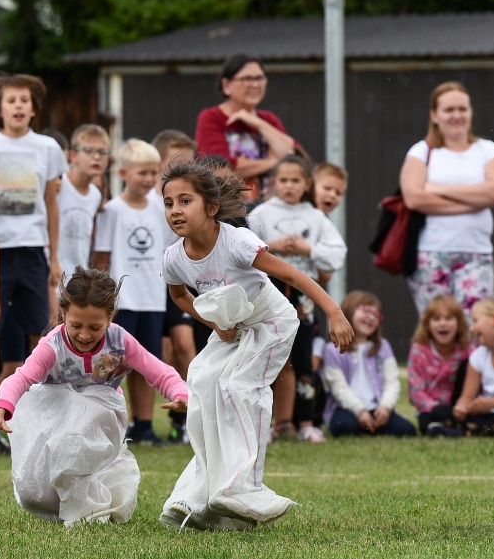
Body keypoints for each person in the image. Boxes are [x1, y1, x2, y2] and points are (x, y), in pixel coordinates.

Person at [159, 161, 353, 530]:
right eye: (169, 203)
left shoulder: (237, 242)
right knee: (201, 381)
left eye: (185, 201)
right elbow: (180, 297)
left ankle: (243, 489)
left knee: (237, 388)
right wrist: (213, 323)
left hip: (271, 323)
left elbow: (293, 274)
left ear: (211, 208)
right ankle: (197, 495)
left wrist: (334, 312)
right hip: (232, 325)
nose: (175, 210)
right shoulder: (174, 257)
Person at [0, 266, 187, 526]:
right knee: (34, 493)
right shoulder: (52, 346)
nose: (84, 335)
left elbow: (158, 371)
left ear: (111, 317)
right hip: (54, 413)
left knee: (77, 438)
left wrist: (180, 393)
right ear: (63, 315)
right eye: (76, 325)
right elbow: (21, 377)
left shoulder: (120, 341)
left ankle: (85, 510)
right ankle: (69, 500)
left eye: (95, 327)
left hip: (102, 413)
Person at [0, 74, 68, 438]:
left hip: (33, 250)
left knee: (38, 328)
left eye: (25, 100)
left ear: (34, 108)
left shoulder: (47, 148)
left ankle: (36, 398)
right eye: (11, 100)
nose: (19, 106)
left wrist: (55, 257)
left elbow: (51, 204)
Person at [248, 155, 347, 442]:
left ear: (307, 184)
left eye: (295, 181)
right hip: (267, 291)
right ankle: (269, 424)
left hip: (304, 294)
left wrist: (308, 250)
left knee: (303, 357)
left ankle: (305, 422)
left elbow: (337, 253)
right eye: (283, 180)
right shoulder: (262, 213)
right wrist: (270, 247)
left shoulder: (315, 217)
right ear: (274, 182)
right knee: (268, 356)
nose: (289, 186)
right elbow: (242, 247)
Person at [399, 81, 494, 317]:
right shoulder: (421, 152)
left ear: (471, 112)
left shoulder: (488, 150)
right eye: (449, 110)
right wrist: (476, 199)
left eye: (462, 109)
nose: (456, 116)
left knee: (477, 327)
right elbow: (415, 198)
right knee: (438, 329)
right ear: (434, 115)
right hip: (431, 255)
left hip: (477, 255)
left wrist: (438, 189)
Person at [92, 139, 166, 445]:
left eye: (153, 173)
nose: (148, 179)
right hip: (123, 301)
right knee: (114, 364)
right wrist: (104, 298)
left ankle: (144, 424)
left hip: (153, 296)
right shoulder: (112, 210)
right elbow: (102, 258)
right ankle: (109, 422)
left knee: (146, 362)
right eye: (142, 173)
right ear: (124, 172)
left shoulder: (161, 208)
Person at [194, 54, 297, 203]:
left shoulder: (268, 120)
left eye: (259, 78)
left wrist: (257, 123)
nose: (255, 85)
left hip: (271, 211)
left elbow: (294, 157)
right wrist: (274, 162)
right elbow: (220, 169)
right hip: (229, 209)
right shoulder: (211, 118)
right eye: (247, 79)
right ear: (226, 85)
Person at [149, 129, 197, 443]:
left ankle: (191, 415)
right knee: (162, 351)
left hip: (178, 284)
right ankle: (170, 412)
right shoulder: (149, 202)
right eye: (176, 162)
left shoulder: (188, 202)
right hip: (148, 287)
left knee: (184, 346)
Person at [321, 291, 416, 438]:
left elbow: (392, 382)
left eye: (376, 315)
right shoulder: (333, 348)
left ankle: (371, 426)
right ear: (348, 310)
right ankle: (365, 426)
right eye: (366, 310)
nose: (371, 317)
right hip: (348, 408)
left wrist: (385, 407)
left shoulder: (383, 347)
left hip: (376, 407)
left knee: (407, 430)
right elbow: (338, 388)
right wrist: (360, 410)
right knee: (344, 426)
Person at [446, 296, 494, 437]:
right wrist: (462, 407)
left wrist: (492, 403)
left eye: (475, 321)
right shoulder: (477, 356)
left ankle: (478, 430)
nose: (472, 328)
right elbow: (466, 397)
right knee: (439, 412)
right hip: (488, 414)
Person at [407, 294, 474, 436]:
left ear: (459, 323)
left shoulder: (467, 350)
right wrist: (436, 408)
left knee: (471, 364)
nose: (443, 324)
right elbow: (415, 392)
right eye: (436, 319)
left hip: (460, 407)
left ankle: (455, 429)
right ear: (427, 324)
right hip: (432, 410)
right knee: (428, 421)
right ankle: (457, 430)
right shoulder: (419, 350)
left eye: (449, 318)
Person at [57, 124, 108, 282]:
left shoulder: (95, 195)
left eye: (102, 152)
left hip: (78, 281)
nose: (97, 157)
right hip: (54, 276)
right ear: (73, 156)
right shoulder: (58, 186)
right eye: (89, 151)